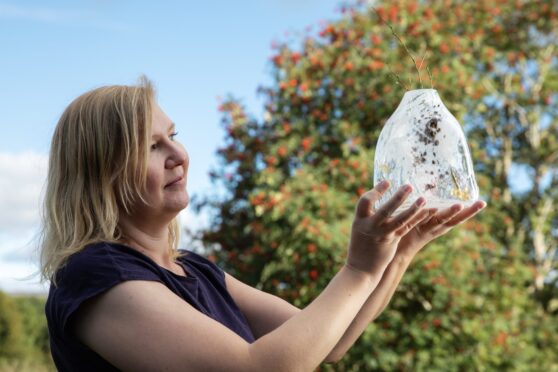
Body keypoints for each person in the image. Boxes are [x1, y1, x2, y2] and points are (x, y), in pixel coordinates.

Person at [41, 77, 485, 372]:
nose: (179, 156)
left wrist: (401, 249)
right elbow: (260, 368)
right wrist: (359, 269)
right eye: (151, 147)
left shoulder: (194, 270)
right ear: (103, 172)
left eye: (172, 137)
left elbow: (328, 342)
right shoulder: (96, 276)